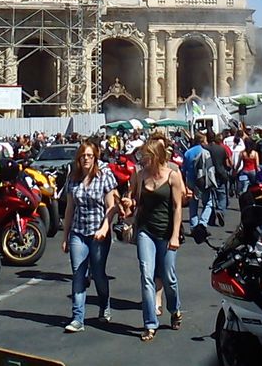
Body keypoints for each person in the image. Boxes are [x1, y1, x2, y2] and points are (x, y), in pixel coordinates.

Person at [122, 138, 185, 342]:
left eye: (146, 157)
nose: (142, 160)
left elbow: (177, 207)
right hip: (145, 231)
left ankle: (174, 309)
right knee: (146, 275)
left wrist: (175, 235)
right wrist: (128, 201)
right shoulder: (140, 176)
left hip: (166, 232)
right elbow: (134, 199)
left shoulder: (172, 176)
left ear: (156, 157)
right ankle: (150, 323)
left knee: (169, 277)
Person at [61, 140, 118, 333]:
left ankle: (104, 304)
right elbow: (69, 208)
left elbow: (112, 207)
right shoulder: (73, 178)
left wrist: (104, 228)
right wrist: (65, 236)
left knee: (98, 273)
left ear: (95, 157)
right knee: (78, 274)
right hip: (78, 231)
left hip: (98, 233)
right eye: (83, 156)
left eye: (89, 156)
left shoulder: (104, 175)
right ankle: (78, 318)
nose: (86, 159)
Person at [180, 132, 216, 241]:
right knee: (208, 203)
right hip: (203, 181)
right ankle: (203, 223)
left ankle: (194, 227)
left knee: (193, 204)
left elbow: (184, 169)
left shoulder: (188, 153)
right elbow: (210, 169)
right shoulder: (205, 152)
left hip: (191, 181)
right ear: (201, 141)